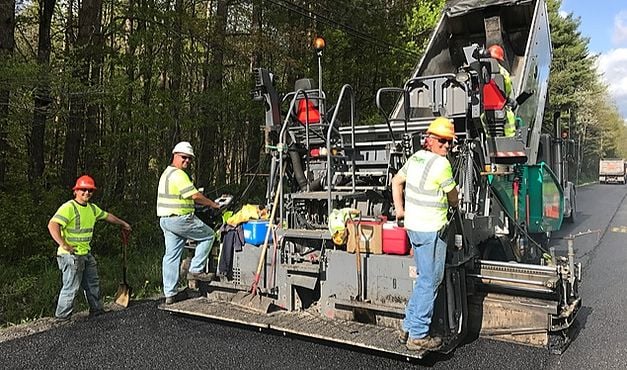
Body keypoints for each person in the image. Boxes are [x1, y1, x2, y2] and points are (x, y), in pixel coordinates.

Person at [391, 117, 459, 351]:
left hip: (413, 228)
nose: (447, 146)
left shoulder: (414, 158)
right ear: (429, 140)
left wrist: (399, 210)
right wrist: (456, 202)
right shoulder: (443, 165)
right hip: (432, 231)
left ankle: (407, 326)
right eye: (443, 141)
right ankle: (418, 335)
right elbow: (453, 197)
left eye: (449, 142)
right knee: (431, 281)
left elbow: (396, 181)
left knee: (423, 279)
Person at [48, 175, 132, 321]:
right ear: (76, 191)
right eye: (83, 190)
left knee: (93, 283)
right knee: (71, 287)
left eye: (90, 191)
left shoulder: (92, 209)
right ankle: (62, 318)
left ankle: (97, 310)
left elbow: (107, 216)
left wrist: (123, 223)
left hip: (85, 253)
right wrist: (64, 244)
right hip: (71, 255)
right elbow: (53, 225)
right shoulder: (69, 207)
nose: (87, 193)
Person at [157, 141, 221, 304]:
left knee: (171, 256)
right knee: (208, 236)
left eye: (189, 159)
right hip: (181, 219)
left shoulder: (167, 173)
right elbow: (194, 196)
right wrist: (213, 204)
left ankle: (170, 294)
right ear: (175, 155)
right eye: (184, 157)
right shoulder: (179, 175)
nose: (187, 161)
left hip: (166, 220)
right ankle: (196, 269)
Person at [487, 44, 516, 137]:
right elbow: (507, 88)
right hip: (497, 105)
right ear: (499, 59)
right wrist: (507, 98)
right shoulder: (502, 71)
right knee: (509, 117)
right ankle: (510, 140)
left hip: (482, 106)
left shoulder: (479, 69)